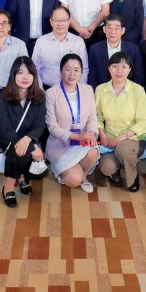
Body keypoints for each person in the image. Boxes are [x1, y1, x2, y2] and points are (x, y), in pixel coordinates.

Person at [0, 57, 49, 206]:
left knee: (24, 152)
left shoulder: (40, 96)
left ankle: (22, 177)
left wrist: (28, 141)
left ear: (34, 76)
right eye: (20, 73)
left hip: (30, 138)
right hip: (8, 140)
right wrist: (30, 146)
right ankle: (9, 186)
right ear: (13, 75)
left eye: (29, 73)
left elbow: (40, 126)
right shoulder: (2, 97)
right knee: (21, 151)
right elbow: (6, 129)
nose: (25, 77)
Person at [44, 54, 101, 192]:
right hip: (61, 145)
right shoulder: (51, 93)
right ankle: (71, 173)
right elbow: (52, 127)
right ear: (61, 71)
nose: (72, 74)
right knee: (73, 181)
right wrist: (77, 136)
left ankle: (84, 176)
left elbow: (92, 118)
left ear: (81, 72)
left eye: (76, 70)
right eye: (68, 69)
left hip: (82, 142)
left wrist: (91, 133)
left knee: (93, 152)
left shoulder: (88, 90)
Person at [94, 51, 146, 192]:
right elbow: (97, 117)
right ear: (109, 69)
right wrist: (102, 134)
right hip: (110, 141)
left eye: (124, 67)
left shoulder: (138, 90)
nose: (119, 70)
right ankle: (118, 170)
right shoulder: (100, 90)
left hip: (133, 139)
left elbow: (143, 123)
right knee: (106, 167)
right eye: (115, 66)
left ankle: (132, 177)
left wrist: (122, 137)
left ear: (129, 70)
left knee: (123, 148)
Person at [32, 6, 89, 87]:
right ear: (51, 22)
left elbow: (84, 70)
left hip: (72, 88)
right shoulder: (41, 41)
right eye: (56, 20)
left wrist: (80, 90)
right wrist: (40, 90)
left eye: (63, 20)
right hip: (46, 88)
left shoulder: (78, 42)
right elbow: (35, 69)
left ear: (69, 22)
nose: (60, 24)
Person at [87, 14, 146, 88]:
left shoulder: (133, 49)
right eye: (109, 28)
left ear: (123, 30)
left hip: (128, 92)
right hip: (102, 92)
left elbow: (138, 76)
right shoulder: (94, 49)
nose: (113, 31)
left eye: (116, 28)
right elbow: (92, 77)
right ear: (104, 29)